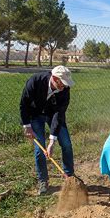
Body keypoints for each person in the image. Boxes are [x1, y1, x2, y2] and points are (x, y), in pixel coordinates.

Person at [20, 66, 75, 195]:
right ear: (55, 79)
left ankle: (70, 177)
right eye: (62, 82)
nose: (65, 86)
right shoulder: (35, 81)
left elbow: (59, 113)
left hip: (53, 115)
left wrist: (52, 140)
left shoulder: (65, 89)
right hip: (35, 114)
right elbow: (24, 104)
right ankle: (43, 181)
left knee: (66, 143)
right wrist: (27, 126)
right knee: (40, 148)